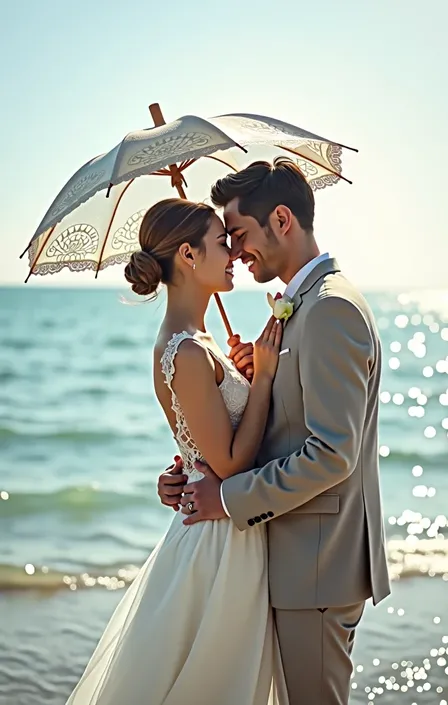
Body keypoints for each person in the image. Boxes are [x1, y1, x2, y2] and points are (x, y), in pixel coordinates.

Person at [158, 158, 391, 705]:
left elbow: (332, 454)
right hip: (293, 560)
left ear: (281, 220)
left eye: (238, 234)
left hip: (315, 567)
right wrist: (247, 389)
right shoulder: (305, 306)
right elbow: (287, 425)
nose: (236, 251)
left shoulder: (329, 310)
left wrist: (226, 498)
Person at [65, 198, 289, 705]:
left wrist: (244, 374)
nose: (233, 252)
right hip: (216, 542)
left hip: (224, 527)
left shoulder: (199, 342)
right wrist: (265, 380)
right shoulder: (185, 351)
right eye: (220, 243)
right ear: (188, 256)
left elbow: (201, 446)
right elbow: (230, 464)